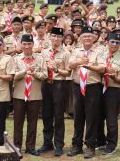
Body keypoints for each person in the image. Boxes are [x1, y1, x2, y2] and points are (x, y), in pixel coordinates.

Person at [67, 27, 105, 159]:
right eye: (85, 36)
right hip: (77, 87)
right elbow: (70, 65)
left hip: (92, 87)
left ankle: (90, 146)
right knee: (78, 117)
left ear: (94, 38)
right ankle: (76, 145)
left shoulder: (99, 51)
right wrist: (80, 62)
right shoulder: (76, 50)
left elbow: (102, 68)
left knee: (92, 117)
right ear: (81, 38)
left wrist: (88, 66)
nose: (87, 38)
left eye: (90, 36)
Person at [38, 27, 71, 156]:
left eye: (58, 37)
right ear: (50, 37)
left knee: (58, 116)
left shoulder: (65, 53)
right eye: (54, 36)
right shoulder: (44, 52)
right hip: (46, 84)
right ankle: (47, 143)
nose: (56, 39)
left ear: (62, 38)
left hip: (59, 85)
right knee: (46, 115)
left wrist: (56, 70)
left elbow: (68, 72)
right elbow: (40, 67)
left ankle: (59, 145)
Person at [13, 34, 48, 156]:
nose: (27, 46)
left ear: (33, 45)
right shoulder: (16, 59)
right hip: (19, 95)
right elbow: (13, 76)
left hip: (34, 95)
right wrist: (24, 71)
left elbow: (45, 75)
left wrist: (35, 73)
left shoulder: (40, 59)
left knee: (32, 122)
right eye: (25, 44)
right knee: (18, 122)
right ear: (21, 45)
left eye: (29, 44)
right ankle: (16, 146)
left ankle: (30, 147)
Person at [101, 33, 120, 155]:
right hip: (99, 87)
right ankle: (101, 141)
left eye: (117, 43)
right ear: (107, 42)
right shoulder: (101, 53)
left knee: (111, 118)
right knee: (98, 116)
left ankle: (111, 144)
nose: (114, 44)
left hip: (114, 89)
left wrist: (115, 77)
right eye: (112, 41)